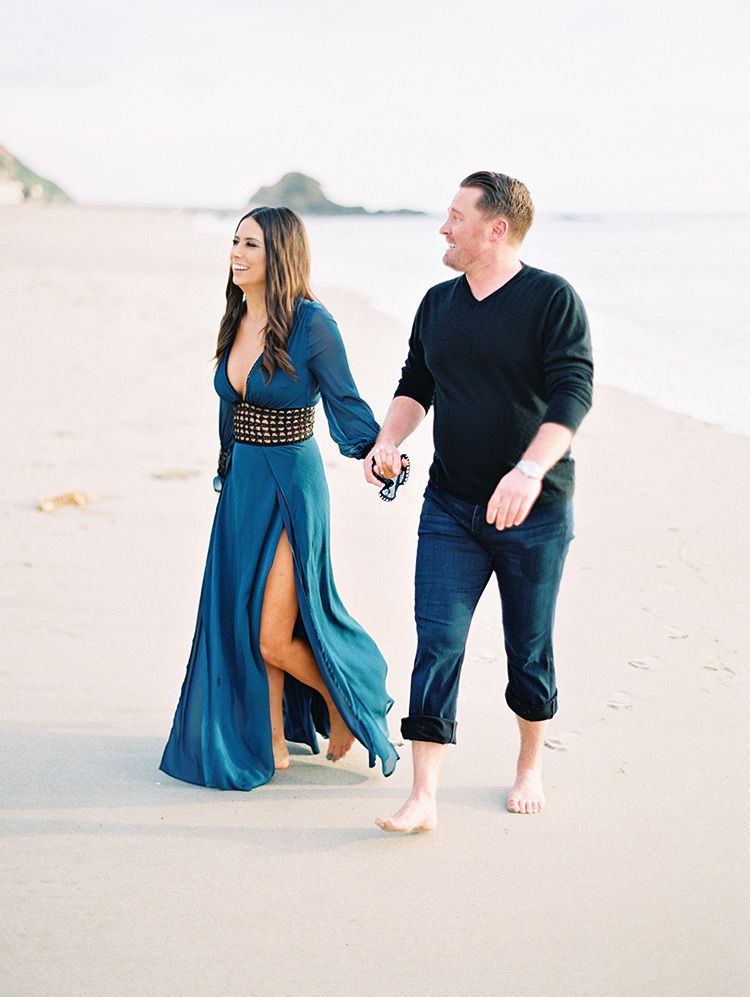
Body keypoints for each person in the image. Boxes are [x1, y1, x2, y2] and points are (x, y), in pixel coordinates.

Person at [365, 172, 593, 830]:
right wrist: (387, 442)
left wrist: (527, 470)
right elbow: (416, 384)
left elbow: (572, 394)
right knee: (437, 641)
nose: (444, 227)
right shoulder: (438, 304)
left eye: (456, 216)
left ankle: (528, 764)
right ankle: (424, 794)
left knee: (528, 648)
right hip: (450, 507)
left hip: (536, 512)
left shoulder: (552, 300)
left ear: (497, 228)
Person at [161, 206, 398, 790]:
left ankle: (345, 702)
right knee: (243, 620)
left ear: (280, 255)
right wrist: (224, 469)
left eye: (250, 244)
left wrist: (377, 452)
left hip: (293, 486)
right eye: (235, 241)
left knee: (274, 631)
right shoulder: (236, 317)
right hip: (242, 486)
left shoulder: (312, 323)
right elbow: (230, 408)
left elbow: (344, 401)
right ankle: (268, 738)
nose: (236, 254)